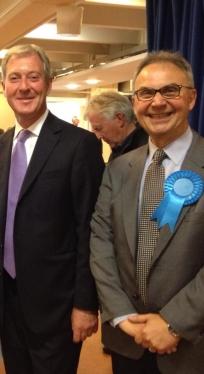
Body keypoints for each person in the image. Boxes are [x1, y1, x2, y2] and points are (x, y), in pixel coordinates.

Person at [0, 44, 104, 374]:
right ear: (3, 86)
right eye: (14, 78)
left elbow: (91, 230)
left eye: (33, 77)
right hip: (6, 301)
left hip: (57, 305)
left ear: (48, 82)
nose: (24, 86)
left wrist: (86, 303)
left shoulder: (79, 144)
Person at [90, 50, 204, 374]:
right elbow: (101, 242)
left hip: (192, 346)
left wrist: (173, 323)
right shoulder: (118, 168)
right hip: (128, 341)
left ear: (192, 98)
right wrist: (122, 316)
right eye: (146, 93)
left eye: (171, 90)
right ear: (134, 102)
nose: (157, 102)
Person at [85, 91, 148, 162]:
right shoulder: (118, 150)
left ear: (119, 119)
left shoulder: (147, 151)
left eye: (99, 128)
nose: (98, 136)